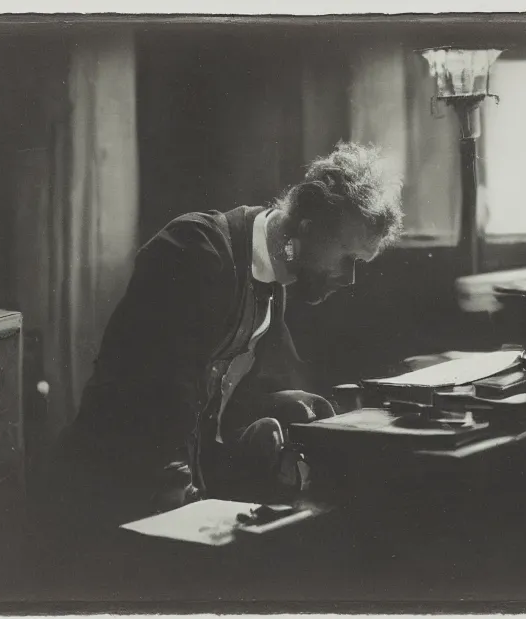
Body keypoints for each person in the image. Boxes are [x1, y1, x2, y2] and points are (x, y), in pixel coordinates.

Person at [40, 142, 404, 532]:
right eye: (347, 258)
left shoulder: (273, 283)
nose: (349, 278)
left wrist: (280, 403)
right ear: (309, 225)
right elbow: (156, 399)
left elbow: (218, 399)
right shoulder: (196, 250)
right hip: (106, 495)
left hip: (168, 492)